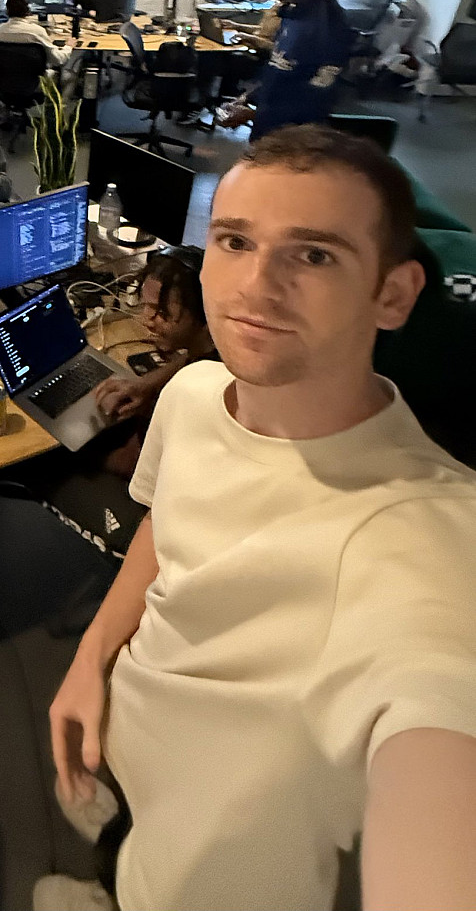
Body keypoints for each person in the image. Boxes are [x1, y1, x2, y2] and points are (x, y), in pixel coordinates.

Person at [41, 124, 476, 911]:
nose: (256, 286)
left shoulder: (428, 534)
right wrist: (92, 657)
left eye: (314, 254)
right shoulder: (192, 394)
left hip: (204, 868)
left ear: (394, 294)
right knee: (112, 849)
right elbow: (164, 525)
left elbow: (439, 718)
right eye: (236, 242)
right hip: (127, 738)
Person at [89, 246, 216, 481]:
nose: (145, 320)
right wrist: (146, 384)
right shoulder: (217, 347)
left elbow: (131, 464)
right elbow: (190, 357)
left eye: (161, 312)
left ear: (205, 313)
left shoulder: (191, 396)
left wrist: (78, 457)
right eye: (145, 306)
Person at [220, 0, 353, 140]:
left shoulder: (331, 24)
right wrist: (247, 98)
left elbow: (315, 100)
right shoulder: (292, 12)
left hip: (295, 141)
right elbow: (279, 69)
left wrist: (254, 114)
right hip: (265, 133)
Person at [0, 0, 69, 71]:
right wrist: (68, 46)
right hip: (34, 78)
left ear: (6, 11)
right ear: (28, 10)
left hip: (4, 77)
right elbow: (58, 60)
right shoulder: (36, 31)